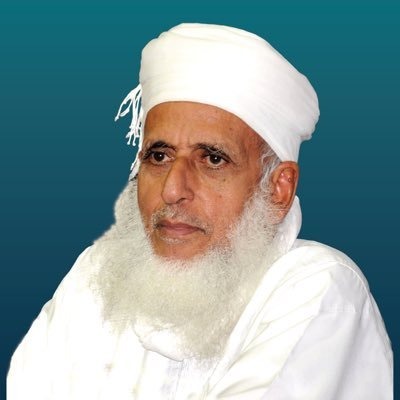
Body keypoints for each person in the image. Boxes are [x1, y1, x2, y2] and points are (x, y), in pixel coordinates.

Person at [8, 23, 393, 399]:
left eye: (212, 159)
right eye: (159, 156)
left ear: (278, 189)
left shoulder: (319, 286)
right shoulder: (95, 276)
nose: (172, 190)